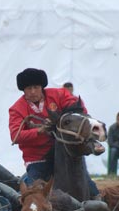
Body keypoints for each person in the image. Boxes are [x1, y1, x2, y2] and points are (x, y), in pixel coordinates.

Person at [7, 67, 99, 197]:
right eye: (28, 88)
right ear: (23, 90)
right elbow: (15, 136)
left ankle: (97, 200)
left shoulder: (59, 94)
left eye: (36, 87)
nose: (33, 92)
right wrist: (39, 131)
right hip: (38, 158)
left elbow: (77, 106)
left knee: (87, 184)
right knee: (34, 195)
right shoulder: (16, 109)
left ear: (42, 87)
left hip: (63, 152)